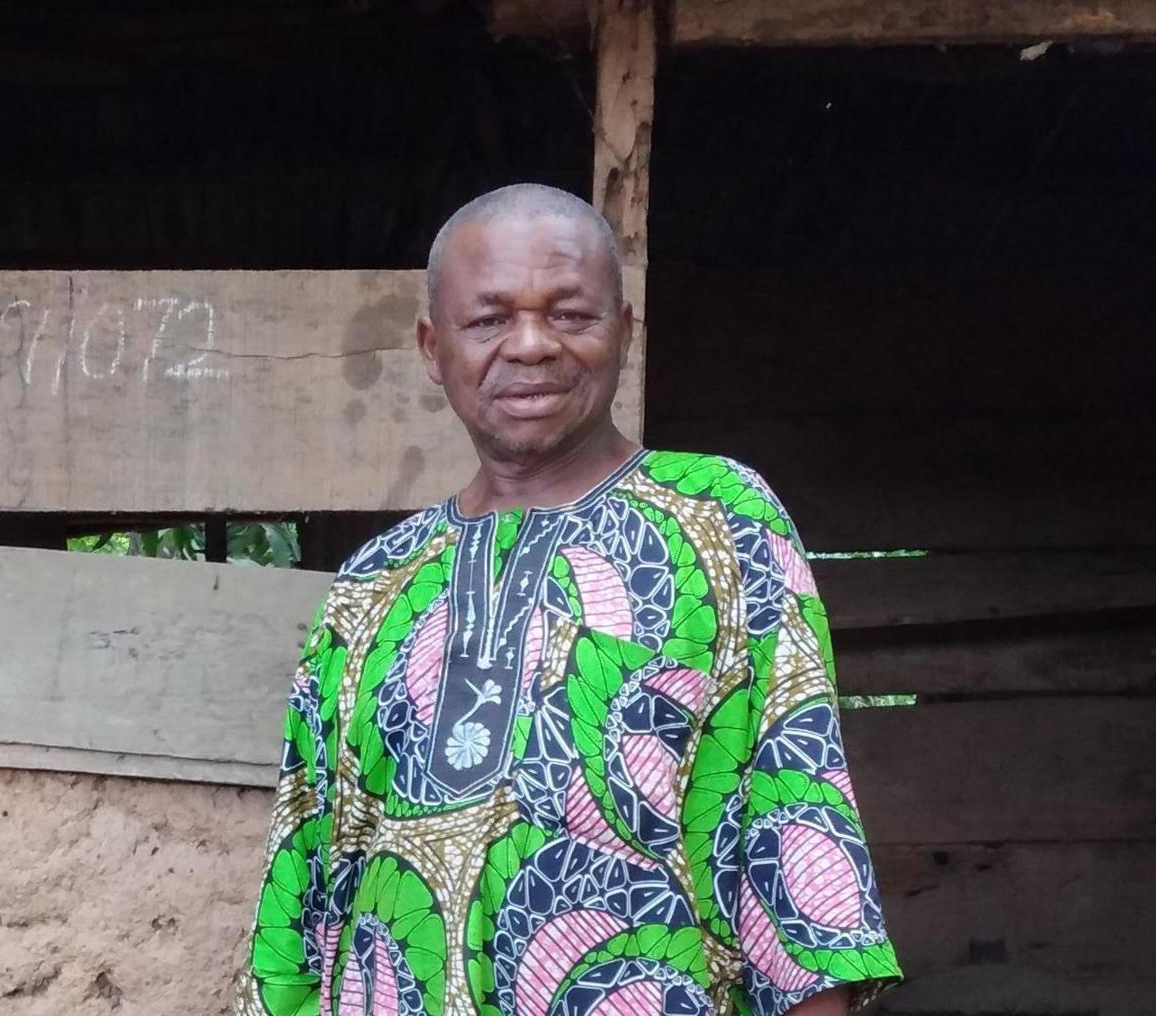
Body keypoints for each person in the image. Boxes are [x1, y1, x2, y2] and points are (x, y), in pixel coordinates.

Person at [237, 184, 900, 1016]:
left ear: (625, 332)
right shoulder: (374, 581)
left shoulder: (719, 521)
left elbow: (795, 820)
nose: (531, 345)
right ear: (431, 347)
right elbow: (302, 877)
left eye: (571, 315)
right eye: (488, 321)